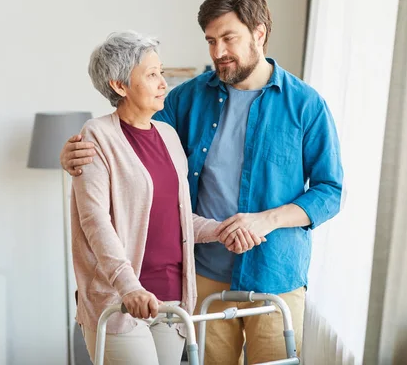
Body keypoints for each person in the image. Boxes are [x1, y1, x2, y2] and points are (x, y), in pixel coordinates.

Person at [62, 0, 343, 365]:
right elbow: (128, 142)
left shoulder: (306, 105)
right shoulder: (185, 99)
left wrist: (266, 221)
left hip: (275, 272)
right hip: (202, 275)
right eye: (210, 40)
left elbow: (329, 191)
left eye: (228, 38)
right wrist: (74, 155)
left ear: (259, 33)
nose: (217, 52)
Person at [71, 30, 265, 365]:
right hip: (122, 299)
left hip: (173, 297)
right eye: (151, 75)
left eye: (161, 72)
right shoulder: (96, 136)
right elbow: (96, 222)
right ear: (119, 85)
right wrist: (129, 288)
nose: (163, 83)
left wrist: (222, 230)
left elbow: (176, 217)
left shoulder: (168, 135)